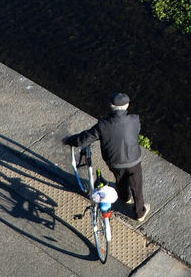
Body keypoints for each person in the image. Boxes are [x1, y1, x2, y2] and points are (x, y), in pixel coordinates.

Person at [63, 92, 150, 223]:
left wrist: (68, 140)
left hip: (114, 162)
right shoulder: (134, 119)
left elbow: (83, 139)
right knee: (136, 185)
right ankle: (139, 212)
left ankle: (125, 197)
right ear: (127, 105)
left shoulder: (103, 125)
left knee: (120, 178)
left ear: (111, 106)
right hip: (133, 160)